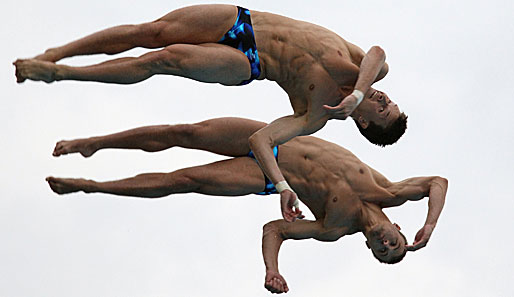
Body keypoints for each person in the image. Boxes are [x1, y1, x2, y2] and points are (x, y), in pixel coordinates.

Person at [16, 4, 408, 222]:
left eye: (383, 109)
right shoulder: (368, 72)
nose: (384, 98)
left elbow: (262, 140)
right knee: (150, 32)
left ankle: (62, 73)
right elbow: (379, 52)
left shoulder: (315, 115)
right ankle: (57, 53)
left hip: (249, 61)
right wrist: (359, 92)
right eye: (388, 101)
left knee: (164, 59)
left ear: (365, 123)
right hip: (246, 21)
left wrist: (284, 187)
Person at [46, 117, 447, 294]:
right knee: (184, 132)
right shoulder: (388, 191)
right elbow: (436, 182)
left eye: (382, 252)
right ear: (397, 227)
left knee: (184, 181)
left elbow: (273, 230)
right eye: (395, 243)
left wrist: (272, 270)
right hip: (270, 140)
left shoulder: (333, 227)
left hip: (265, 177)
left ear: (369, 247)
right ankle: (95, 143)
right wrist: (430, 225)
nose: (387, 245)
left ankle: (91, 186)